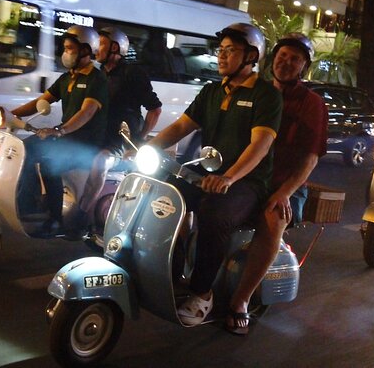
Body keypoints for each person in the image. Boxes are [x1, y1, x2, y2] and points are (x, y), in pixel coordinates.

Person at [145, 22, 282, 327]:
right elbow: (181, 126)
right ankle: (171, 268)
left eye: (230, 51)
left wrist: (229, 178)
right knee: (165, 194)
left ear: (251, 56)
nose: (221, 56)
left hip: (247, 182)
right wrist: (147, 147)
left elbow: (260, 145)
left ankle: (202, 293)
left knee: (214, 214)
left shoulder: (266, 95)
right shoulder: (211, 91)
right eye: (221, 50)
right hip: (208, 172)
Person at [227, 32, 328, 335]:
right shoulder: (255, 91)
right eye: (282, 56)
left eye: (295, 59)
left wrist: (285, 192)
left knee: (273, 219)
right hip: (249, 178)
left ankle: (241, 300)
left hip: (286, 185)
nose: (286, 62)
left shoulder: (312, 104)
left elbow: (311, 158)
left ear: (304, 67)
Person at [11, 25, 108, 236]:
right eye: (65, 48)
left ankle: (55, 219)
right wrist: (11, 114)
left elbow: (86, 113)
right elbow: (41, 101)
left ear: (85, 50)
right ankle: (29, 203)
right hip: (66, 138)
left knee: (50, 163)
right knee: (22, 149)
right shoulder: (67, 78)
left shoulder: (97, 79)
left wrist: (59, 130)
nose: (65, 53)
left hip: (86, 144)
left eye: (70, 48)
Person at [71, 27, 162, 236]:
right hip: (100, 132)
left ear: (115, 47)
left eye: (102, 44)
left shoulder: (132, 74)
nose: (97, 48)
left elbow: (155, 109)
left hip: (121, 136)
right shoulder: (99, 73)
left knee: (100, 162)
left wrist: (139, 139)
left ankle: (81, 217)